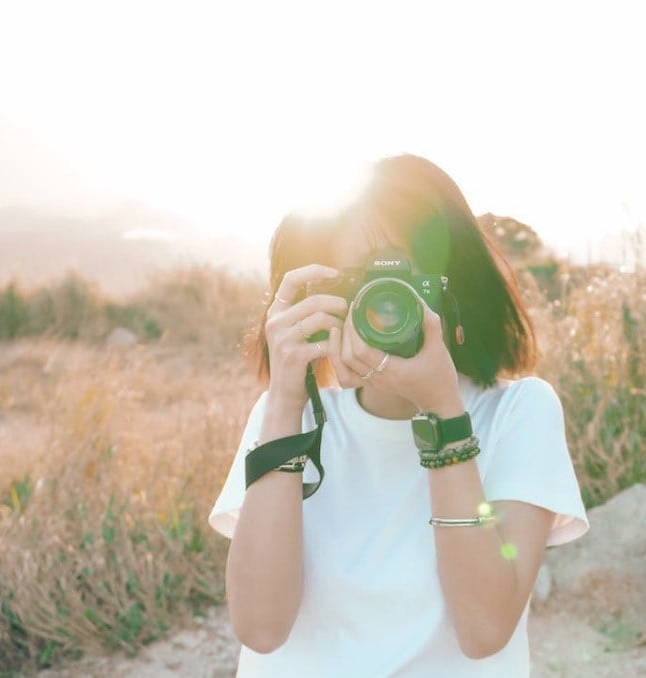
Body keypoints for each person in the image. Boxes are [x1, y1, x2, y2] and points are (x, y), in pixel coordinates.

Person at [208, 154, 588, 676]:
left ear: (450, 288)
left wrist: (443, 412)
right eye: (357, 283)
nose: (381, 306)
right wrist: (284, 397)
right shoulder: (283, 418)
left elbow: (484, 630)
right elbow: (260, 627)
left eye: (402, 282)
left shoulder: (519, 412)